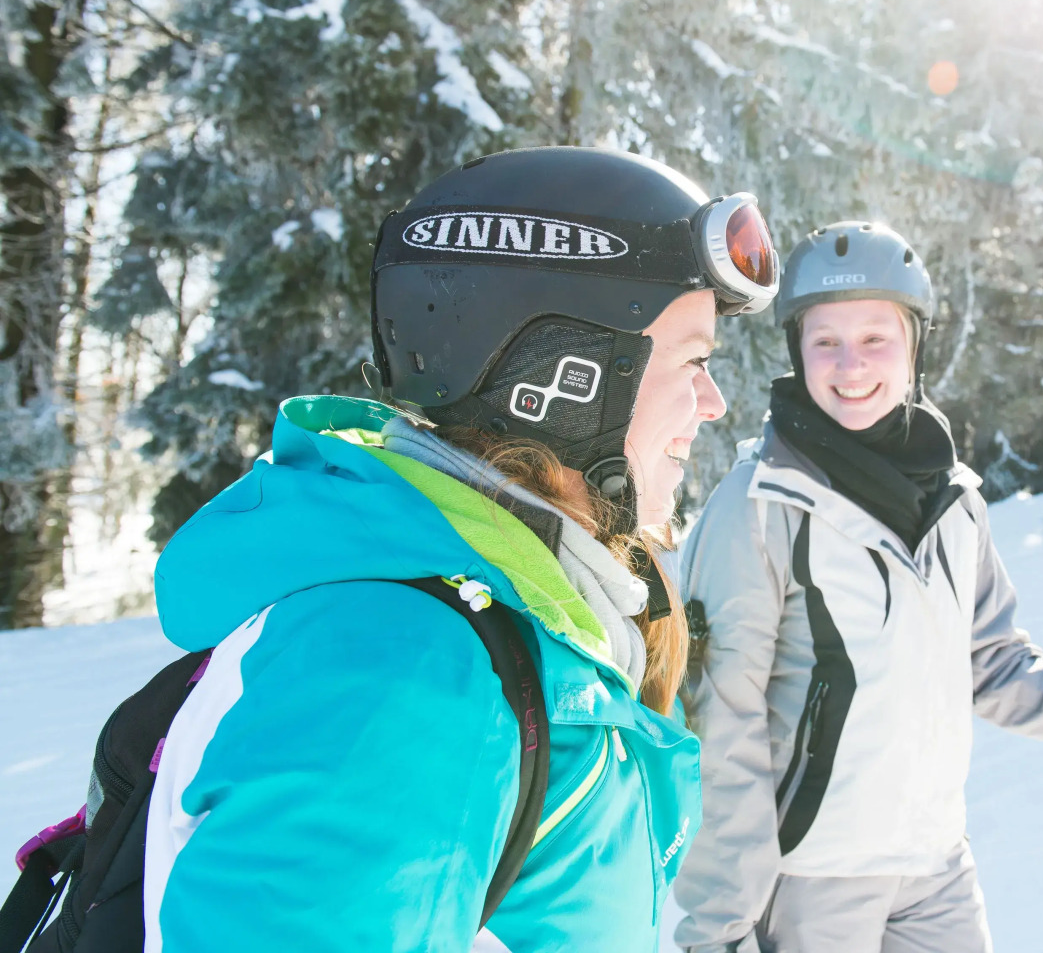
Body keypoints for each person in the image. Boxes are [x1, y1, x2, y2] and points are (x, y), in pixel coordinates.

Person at [141, 148, 779, 952]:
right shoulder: (406, 673)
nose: (713, 403)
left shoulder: (508, 628)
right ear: (567, 374)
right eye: (691, 361)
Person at [670, 222, 1043, 953]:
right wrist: (718, 930)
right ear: (795, 351)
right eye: (824, 341)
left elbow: (992, 666)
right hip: (811, 883)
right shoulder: (759, 505)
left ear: (915, 346)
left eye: (875, 338)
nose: (849, 365)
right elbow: (722, 727)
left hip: (933, 872)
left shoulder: (954, 501)